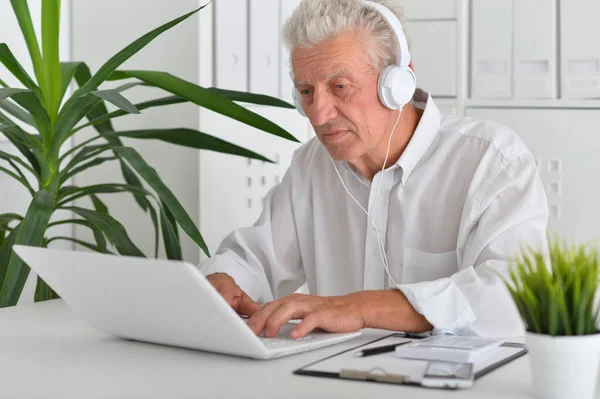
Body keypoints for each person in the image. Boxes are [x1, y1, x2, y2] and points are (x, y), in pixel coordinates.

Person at [200, 0, 548, 339]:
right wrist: (225, 279)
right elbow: (256, 257)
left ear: (397, 85)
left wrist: (363, 308)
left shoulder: (491, 161)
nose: (318, 115)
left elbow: (511, 295)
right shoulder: (311, 165)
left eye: (340, 87)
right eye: (306, 91)